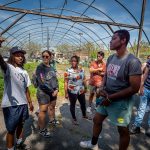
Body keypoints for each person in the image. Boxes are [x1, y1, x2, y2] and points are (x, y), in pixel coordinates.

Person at [80, 29, 142, 150]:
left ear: (123, 40)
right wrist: (102, 87)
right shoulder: (111, 58)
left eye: (114, 39)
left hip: (121, 103)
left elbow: (134, 88)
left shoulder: (133, 61)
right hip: (106, 98)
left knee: (123, 130)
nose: (110, 41)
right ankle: (93, 144)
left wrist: (111, 98)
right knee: (97, 120)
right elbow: (107, 75)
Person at [0, 40, 34, 150]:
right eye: (17, 55)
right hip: (11, 105)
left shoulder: (24, 71)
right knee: (11, 129)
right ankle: (10, 148)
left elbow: (26, 88)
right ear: (12, 56)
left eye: (22, 56)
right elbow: (1, 61)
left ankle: (19, 143)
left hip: (23, 103)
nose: (20, 58)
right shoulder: (8, 68)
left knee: (21, 124)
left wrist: (30, 102)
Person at [35, 50, 59, 137]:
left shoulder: (52, 67)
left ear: (50, 57)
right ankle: (42, 130)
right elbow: (41, 82)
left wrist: (57, 89)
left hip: (53, 92)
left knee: (52, 107)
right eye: (43, 56)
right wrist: (52, 91)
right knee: (43, 111)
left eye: (47, 56)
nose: (45, 58)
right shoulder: (40, 67)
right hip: (43, 93)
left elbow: (55, 79)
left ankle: (52, 119)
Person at [64, 55, 88, 125]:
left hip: (81, 90)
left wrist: (86, 88)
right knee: (72, 105)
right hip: (72, 91)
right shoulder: (67, 71)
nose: (73, 62)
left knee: (83, 103)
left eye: (75, 61)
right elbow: (65, 82)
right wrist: (66, 93)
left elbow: (84, 79)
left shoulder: (82, 69)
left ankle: (84, 115)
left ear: (77, 62)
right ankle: (74, 118)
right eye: (72, 61)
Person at [130, 57, 150, 136]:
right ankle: (136, 126)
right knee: (142, 108)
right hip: (147, 88)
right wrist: (141, 86)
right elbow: (146, 74)